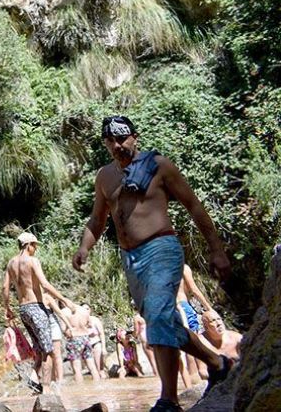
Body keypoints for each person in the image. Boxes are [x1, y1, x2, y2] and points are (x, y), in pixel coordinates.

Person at [73, 115, 233, 412]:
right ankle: (217, 363)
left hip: (161, 248)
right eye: (111, 140)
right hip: (130, 258)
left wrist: (217, 250)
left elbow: (193, 205)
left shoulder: (159, 165)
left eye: (122, 138)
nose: (117, 145)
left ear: (135, 136)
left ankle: (168, 400)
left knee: (159, 317)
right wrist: (84, 247)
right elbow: (97, 220)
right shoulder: (105, 176)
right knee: (164, 322)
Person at [2, 231, 76, 389]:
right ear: (28, 245)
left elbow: (5, 288)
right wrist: (64, 300)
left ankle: (35, 384)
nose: (35, 248)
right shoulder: (32, 261)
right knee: (48, 350)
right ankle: (47, 390)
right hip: (36, 307)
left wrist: (7, 308)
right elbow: (45, 284)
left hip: (23, 310)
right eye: (34, 245)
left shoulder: (10, 264)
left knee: (39, 349)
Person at [61, 303, 102, 382]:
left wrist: (68, 332)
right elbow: (90, 324)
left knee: (77, 369)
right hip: (85, 338)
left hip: (74, 339)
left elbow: (63, 328)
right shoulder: (83, 310)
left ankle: (80, 391)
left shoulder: (64, 311)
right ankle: (98, 386)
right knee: (92, 366)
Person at [134, 312, 158, 376]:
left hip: (145, 339)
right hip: (153, 337)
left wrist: (134, 336)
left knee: (152, 359)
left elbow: (136, 331)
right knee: (157, 358)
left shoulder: (137, 317)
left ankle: (156, 375)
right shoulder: (149, 314)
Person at [86, 306, 108, 378]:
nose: (85, 310)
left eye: (87, 309)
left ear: (90, 310)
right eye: (83, 309)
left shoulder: (95, 320)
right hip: (87, 346)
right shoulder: (81, 320)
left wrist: (103, 348)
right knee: (92, 370)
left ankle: (103, 385)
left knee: (99, 368)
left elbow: (102, 333)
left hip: (96, 343)